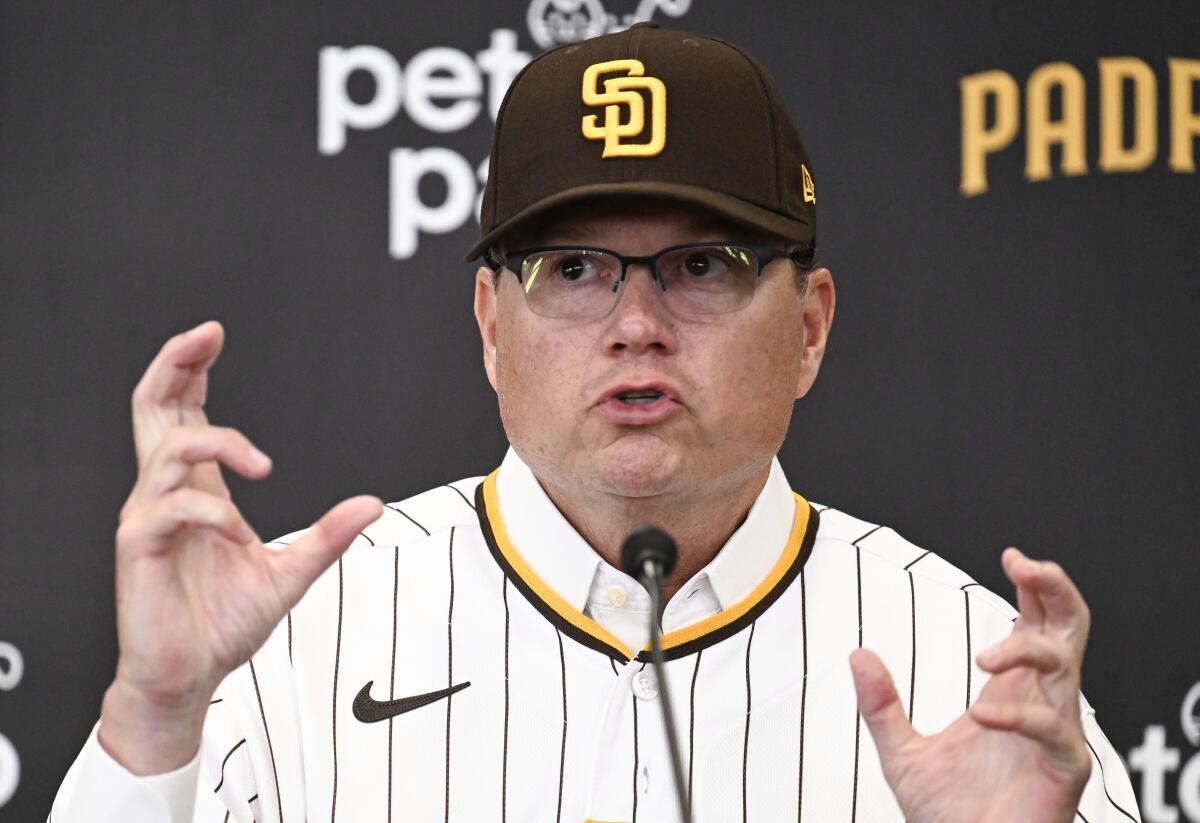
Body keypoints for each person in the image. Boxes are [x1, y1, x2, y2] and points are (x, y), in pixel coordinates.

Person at [52, 22, 1140, 822]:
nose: (634, 323)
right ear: (490, 323)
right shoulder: (280, 643)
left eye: (701, 266)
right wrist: (153, 716)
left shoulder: (974, 671)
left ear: (810, 327)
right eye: (572, 267)